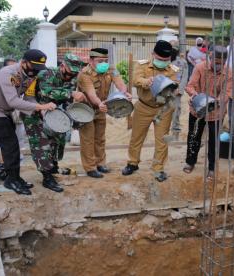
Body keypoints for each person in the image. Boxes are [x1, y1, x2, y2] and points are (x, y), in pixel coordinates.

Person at [0, 49, 57, 195]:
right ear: (24, 62)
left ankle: (15, 178)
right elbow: (13, 101)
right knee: (10, 146)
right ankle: (11, 180)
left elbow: (28, 98)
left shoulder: (30, 74)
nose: (35, 71)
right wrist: (41, 106)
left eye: (38, 68)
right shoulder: (7, 73)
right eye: (33, 66)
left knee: (12, 146)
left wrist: (40, 109)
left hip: (4, 111)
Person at [22, 53, 86, 192]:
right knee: (41, 145)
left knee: (57, 141)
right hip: (34, 113)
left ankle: (53, 168)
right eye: (70, 72)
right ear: (63, 66)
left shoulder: (72, 78)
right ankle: (47, 177)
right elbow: (47, 92)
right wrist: (71, 94)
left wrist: (74, 118)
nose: (72, 76)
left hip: (53, 114)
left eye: (75, 73)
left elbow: (66, 100)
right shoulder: (46, 73)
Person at [121, 40, 179, 182]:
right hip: (143, 106)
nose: (163, 62)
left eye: (166, 60)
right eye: (160, 59)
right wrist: (147, 82)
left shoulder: (173, 69)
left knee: (162, 139)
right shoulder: (142, 65)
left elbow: (174, 86)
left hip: (163, 109)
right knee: (136, 137)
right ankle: (133, 163)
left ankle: (158, 168)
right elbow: (135, 79)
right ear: (153, 54)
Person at [78, 48, 130, 178]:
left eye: (106, 60)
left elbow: (120, 83)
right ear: (90, 61)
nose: (104, 63)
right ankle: (90, 167)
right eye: (100, 61)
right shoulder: (84, 74)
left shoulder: (110, 69)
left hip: (102, 108)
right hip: (86, 109)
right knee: (88, 139)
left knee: (100, 139)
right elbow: (91, 93)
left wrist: (125, 92)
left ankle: (100, 164)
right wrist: (99, 103)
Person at [183, 45, 231, 179]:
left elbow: (227, 92)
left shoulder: (229, 72)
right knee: (194, 137)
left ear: (225, 61)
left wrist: (215, 102)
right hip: (197, 111)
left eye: (221, 63)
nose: (218, 65)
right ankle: (190, 162)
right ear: (210, 57)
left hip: (216, 113)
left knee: (214, 141)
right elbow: (190, 85)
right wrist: (195, 95)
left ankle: (211, 167)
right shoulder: (200, 68)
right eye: (215, 62)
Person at [170, 41, 189, 139]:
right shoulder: (164, 61)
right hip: (165, 91)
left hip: (176, 91)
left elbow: (184, 77)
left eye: (174, 49)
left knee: (176, 112)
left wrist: (180, 90)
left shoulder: (182, 62)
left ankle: (175, 134)